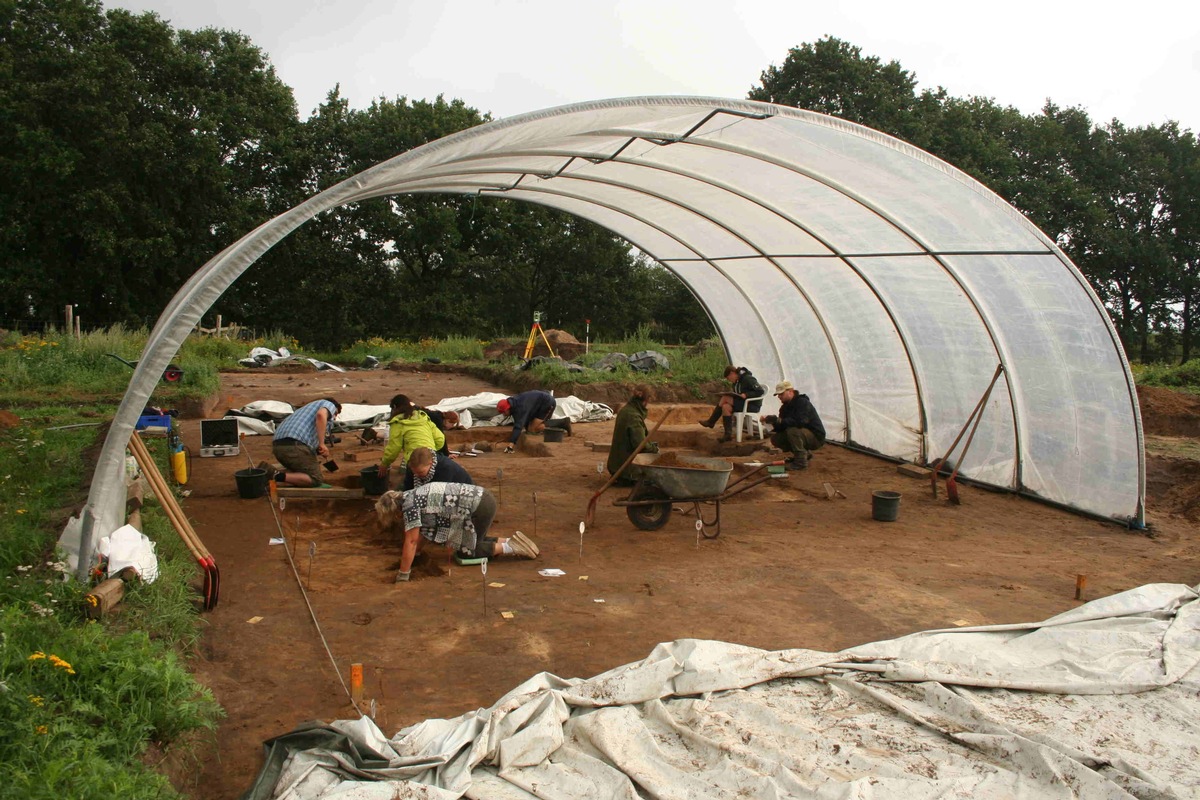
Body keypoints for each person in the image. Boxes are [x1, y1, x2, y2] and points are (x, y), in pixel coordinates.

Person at [375, 482, 540, 582]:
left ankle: (511, 547)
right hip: (483, 498)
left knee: (467, 551)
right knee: (473, 538)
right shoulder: (411, 494)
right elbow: (423, 533)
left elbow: (411, 540)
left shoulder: (409, 507)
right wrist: (417, 555)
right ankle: (511, 540)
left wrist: (403, 574)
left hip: (480, 508)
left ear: (395, 511)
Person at [268, 397, 341, 487]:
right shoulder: (329, 404)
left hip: (278, 447)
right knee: (316, 479)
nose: (334, 417)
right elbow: (321, 415)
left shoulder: (305, 410)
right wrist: (322, 444)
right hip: (294, 446)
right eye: (335, 413)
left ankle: (264, 471)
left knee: (299, 472)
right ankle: (275, 476)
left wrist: (319, 449)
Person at [379, 395, 444, 481]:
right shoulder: (423, 418)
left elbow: (393, 448)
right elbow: (440, 439)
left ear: (394, 407)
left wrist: (384, 463)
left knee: (409, 489)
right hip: (431, 457)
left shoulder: (398, 422)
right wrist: (431, 449)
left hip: (414, 461)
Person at [764, 380, 825, 470]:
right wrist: (770, 423)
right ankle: (804, 454)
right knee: (776, 439)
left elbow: (801, 422)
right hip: (803, 435)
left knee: (792, 431)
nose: (779, 397)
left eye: (781, 394)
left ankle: (801, 462)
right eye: (778, 395)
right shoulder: (784, 408)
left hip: (816, 437)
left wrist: (779, 420)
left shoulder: (802, 403)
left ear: (790, 391)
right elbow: (782, 427)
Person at [607, 384, 659, 483]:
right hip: (627, 471)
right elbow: (640, 445)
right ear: (645, 400)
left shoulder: (625, 410)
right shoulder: (634, 417)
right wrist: (654, 449)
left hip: (616, 467)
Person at [699, 365, 765, 442]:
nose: (729, 380)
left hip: (752, 405)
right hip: (742, 404)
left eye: (728, 378)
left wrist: (747, 395)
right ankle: (727, 435)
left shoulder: (748, 379)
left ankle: (711, 422)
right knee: (725, 407)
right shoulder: (736, 383)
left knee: (725, 398)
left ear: (732, 373)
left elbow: (760, 391)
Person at [497, 389, 571, 453]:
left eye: (504, 412)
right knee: (529, 428)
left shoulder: (520, 408)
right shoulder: (513, 403)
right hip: (537, 405)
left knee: (533, 429)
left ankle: (563, 422)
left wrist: (511, 444)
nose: (503, 414)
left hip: (547, 403)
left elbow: (519, 425)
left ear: (508, 408)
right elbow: (520, 420)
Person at [402, 446, 473, 491]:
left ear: (431, 463)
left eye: (421, 472)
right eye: (414, 472)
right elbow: (407, 489)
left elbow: (438, 496)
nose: (416, 475)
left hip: (463, 493)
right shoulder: (412, 466)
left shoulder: (445, 468)